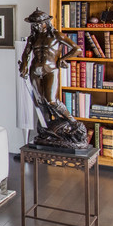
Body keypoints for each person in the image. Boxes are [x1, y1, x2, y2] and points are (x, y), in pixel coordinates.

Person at [18, 8, 86, 148]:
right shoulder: (33, 38)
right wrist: (24, 66)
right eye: (33, 24)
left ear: (46, 22)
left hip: (50, 70)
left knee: (51, 100)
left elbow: (77, 49)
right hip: (35, 71)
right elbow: (26, 54)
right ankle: (48, 129)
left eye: (38, 23)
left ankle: (73, 121)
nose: (36, 26)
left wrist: (63, 59)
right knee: (40, 102)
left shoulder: (56, 35)